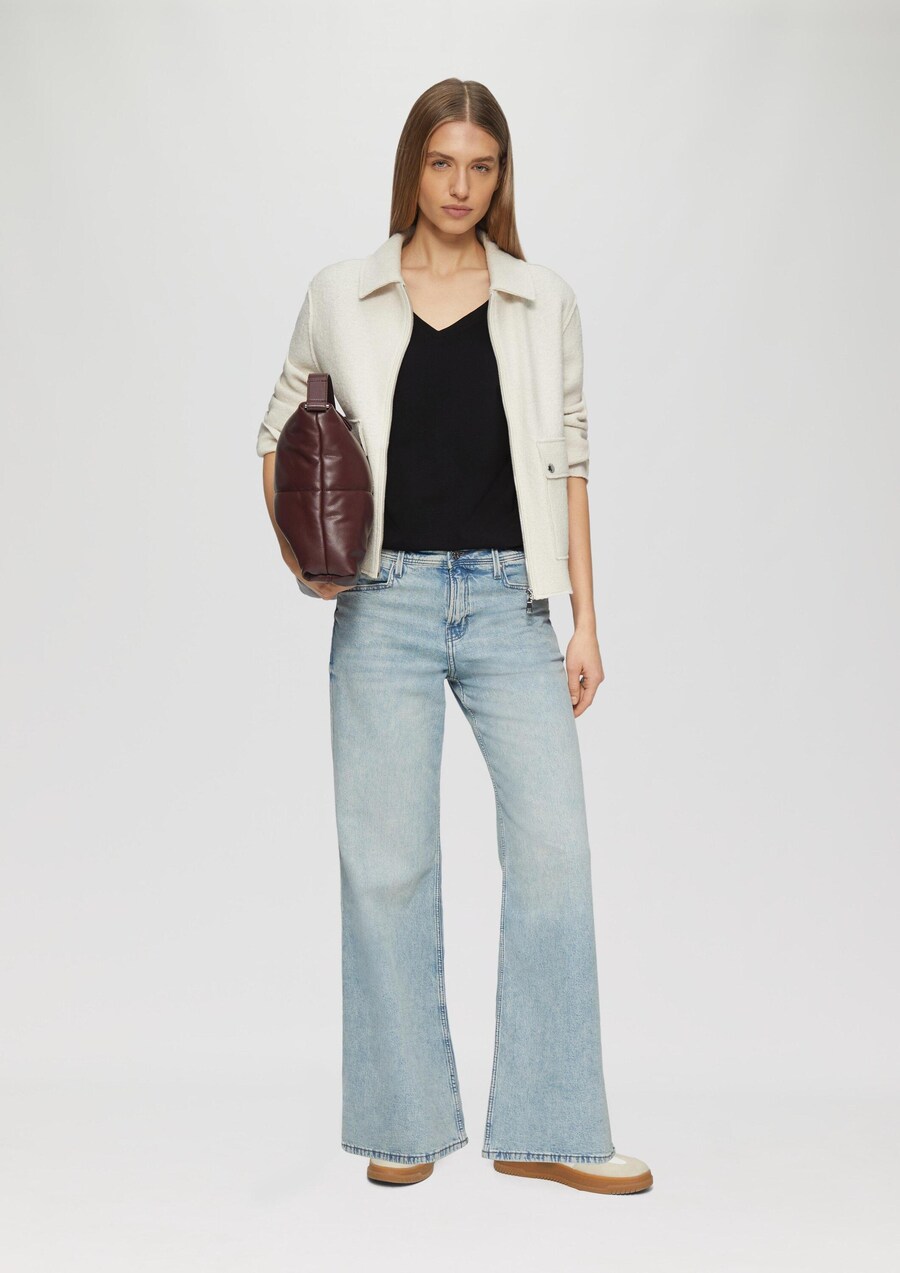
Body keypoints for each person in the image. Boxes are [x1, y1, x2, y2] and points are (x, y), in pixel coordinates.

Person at [257, 78, 652, 1196]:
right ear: (413, 168)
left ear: (501, 175)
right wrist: (302, 558)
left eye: (481, 166)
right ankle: (401, 1121)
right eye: (442, 164)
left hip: (513, 600)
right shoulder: (343, 292)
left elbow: (572, 462)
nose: (460, 187)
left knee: (556, 852)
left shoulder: (541, 299)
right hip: (383, 602)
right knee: (385, 865)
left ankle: (550, 1124)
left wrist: (584, 620)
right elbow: (279, 431)